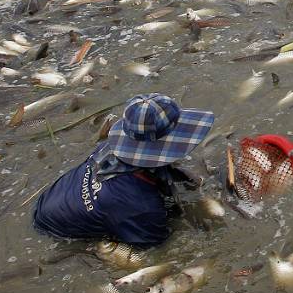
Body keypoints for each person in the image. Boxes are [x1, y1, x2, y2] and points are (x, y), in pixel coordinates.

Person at [33, 93, 214, 247]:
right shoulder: (141, 208)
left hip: (53, 199)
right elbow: (154, 247)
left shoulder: (107, 149)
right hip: (56, 229)